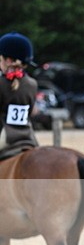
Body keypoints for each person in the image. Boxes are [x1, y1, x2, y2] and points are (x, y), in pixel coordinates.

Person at [0, 32, 39, 160]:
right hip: (28, 137)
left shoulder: (1, 83)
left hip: (5, 137)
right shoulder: (32, 84)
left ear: (8, 60)